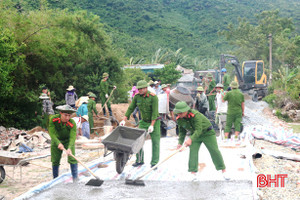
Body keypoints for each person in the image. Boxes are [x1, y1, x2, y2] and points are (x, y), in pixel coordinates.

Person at [174, 101, 229, 180]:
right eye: (178, 113)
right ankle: (193, 173)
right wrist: (180, 143)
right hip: (195, 135)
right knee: (193, 151)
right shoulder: (180, 119)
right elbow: (182, 132)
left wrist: (190, 139)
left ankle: (223, 170)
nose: (179, 115)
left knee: (214, 151)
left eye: (181, 113)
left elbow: (199, 130)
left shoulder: (196, 115)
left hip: (207, 133)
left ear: (186, 110)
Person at [120, 80, 160, 168]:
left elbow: (154, 112)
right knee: (138, 141)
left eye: (142, 89)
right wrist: (124, 119)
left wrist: (152, 125)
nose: (140, 90)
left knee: (155, 142)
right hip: (143, 122)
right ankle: (139, 160)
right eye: (139, 89)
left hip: (155, 122)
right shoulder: (137, 97)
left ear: (146, 88)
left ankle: (154, 163)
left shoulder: (153, 97)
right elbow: (131, 108)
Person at [48, 105, 78, 181]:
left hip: (68, 141)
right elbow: (52, 133)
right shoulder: (53, 119)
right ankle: (55, 179)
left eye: (69, 115)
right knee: (55, 160)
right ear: (61, 113)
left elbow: (72, 137)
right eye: (65, 115)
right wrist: (58, 143)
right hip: (56, 140)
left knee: (72, 158)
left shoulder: (72, 123)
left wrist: (70, 147)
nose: (67, 118)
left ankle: (75, 179)